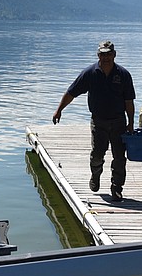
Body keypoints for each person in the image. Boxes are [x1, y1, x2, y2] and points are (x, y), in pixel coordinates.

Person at [52, 40, 136, 202]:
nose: (106, 58)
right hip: (99, 121)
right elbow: (71, 92)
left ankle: (117, 187)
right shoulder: (90, 73)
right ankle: (95, 175)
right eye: (103, 54)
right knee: (97, 154)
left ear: (114, 54)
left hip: (119, 121)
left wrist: (130, 123)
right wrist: (59, 110)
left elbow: (129, 102)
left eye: (109, 54)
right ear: (98, 55)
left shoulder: (123, 75)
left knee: (119, 157)